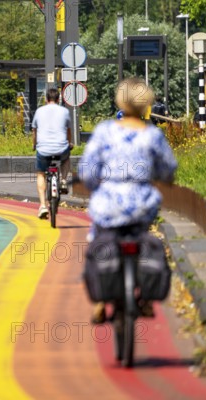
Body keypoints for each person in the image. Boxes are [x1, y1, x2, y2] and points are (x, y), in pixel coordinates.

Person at [80, 77, 177, 324]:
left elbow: (88, 170)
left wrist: (94, 185)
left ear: (119, 100)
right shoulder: (152, 135)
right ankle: (144, 299)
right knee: (145, 240)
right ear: (147, 103)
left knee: (97, 239)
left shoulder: (105, 131)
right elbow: (167, 169)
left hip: (108, 205)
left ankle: (101, 300)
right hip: (141, 206)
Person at [31, 88, 72, 219]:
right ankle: (64, 180)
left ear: (46, 99)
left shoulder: (39, 111)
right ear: (59, 99)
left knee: (41, 174)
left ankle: (43, 205)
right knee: (66, 159)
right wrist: (69, 143)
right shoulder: (65, 111)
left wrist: (34, 145)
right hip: (61, 148)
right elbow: (68, 131)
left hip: (43, 150)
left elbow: (34, 132)